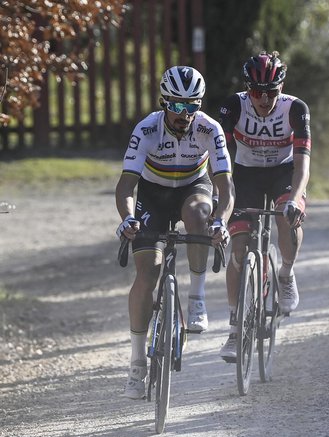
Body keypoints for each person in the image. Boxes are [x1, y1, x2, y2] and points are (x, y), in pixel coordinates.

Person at [115, 66, 235, 399]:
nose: (185, 114)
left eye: (192, 105)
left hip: (193, 188)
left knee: (199, 213)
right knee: (148, 273)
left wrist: (221, 220)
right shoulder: (147, 129)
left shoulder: (210, 130)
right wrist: (127, 218)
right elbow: (126, 185)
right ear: (163, 102)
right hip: (153, 195)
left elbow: (226, 188)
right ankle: (137, 361)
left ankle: (196, 299)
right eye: (177, 106)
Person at [216, 51, 310, 362]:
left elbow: (302, 163)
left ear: (281, 89)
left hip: (283, 173)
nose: (264, 99)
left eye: (271, 92)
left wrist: (296, 198)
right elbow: (221, 160)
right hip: (245, 175)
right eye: (257, 93)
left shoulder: (295, 109)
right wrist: (222, 195)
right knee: (239, 250)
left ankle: (285, 274)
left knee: (287, 217)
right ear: (247, 90)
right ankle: (234, 328)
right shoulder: (234, 106)